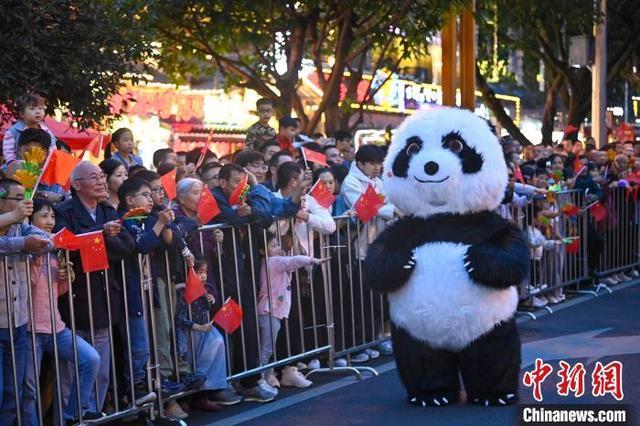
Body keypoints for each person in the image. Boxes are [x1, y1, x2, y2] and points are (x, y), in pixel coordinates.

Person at [54, 161, 135, 413]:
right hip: (75, 297)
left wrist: (94, 237)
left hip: (103, 295)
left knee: (101, 370)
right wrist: (101, 233)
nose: (101, 181)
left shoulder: (107, 209)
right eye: (94, 177)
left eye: (102, 176)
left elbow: (126, 245)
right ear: (77, 185)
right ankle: (71, 417)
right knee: (74, 368)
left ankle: (95, 415)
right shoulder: (62, 210)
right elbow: (65, 242)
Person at [21, 199, 102, 425]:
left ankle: (73, 415)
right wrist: (38, 255)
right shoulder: (25, 248)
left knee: (91, 359)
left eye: (52, 217)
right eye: (43, 216)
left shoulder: (54, 249)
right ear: (30, 219)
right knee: (29, 389)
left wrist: (67, 278)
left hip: (56, 327)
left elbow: (55, 292)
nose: (49, 222)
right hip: (29, 330)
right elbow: (27, 286)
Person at [210, 165, 276, 402]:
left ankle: (249, 380)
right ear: (223, 182)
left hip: (244, 271)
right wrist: (244, 213)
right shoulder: (213, 197)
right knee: (226, 327)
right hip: (222, 276)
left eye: (244, 182)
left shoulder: (245, 195)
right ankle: (223, 383)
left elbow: (267, 218)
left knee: (247, 325)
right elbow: (227, 217)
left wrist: (254, 194)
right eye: (237, 181)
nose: (241, 186)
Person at [118, 178, 177, 406]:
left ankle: (148, 396)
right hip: (131, 291)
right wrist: (160, 223)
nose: (150, 198)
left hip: (147, 287)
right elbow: (142, 244)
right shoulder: (127, 221)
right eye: (145, 194)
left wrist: (164, 221)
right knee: (139, 346)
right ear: (130, 200)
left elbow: (170, 241)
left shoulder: (148, 218)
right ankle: (135, 389)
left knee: (151, 343)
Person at [0, 179, 53, 423]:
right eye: (19, 198)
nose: (26, 204)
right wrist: (22, 244)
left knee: (14, 393)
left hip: (19, 323)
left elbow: (47, 239)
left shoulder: (22, 226)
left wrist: (39, 241)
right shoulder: (17, 230)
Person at [257, 232, 329, 388]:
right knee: (267, 348)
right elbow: (293, 261)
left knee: (268, 346)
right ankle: (259, 378)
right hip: (269, 311)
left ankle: (267, 374)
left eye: (278, 245)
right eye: (273, 245)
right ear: (262, 250)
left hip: (272, 310)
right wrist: (313, 260)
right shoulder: (273, 262)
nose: (277, 248)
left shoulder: (267, 262)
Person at [175, 258, 242, 412]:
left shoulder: (204, 289)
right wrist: (197, 326)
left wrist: (209, 300)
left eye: (205, 272)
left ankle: (202, 395)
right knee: (188, 366)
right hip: (190, 335)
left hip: (204, 332)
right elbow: (179, 319)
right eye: (199, 273)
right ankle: (184, 398)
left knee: (215, 347)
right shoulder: (183, 291)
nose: (204, 276)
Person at [3, 93, 57, 164]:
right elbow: (8, 150)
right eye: (32, 108)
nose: (38, 112)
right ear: (22, 114)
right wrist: (12, 162)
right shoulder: (14, 131)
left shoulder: (46, 130)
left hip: (41, 166)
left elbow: (53, 146)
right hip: (20, 167)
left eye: (40, 108)